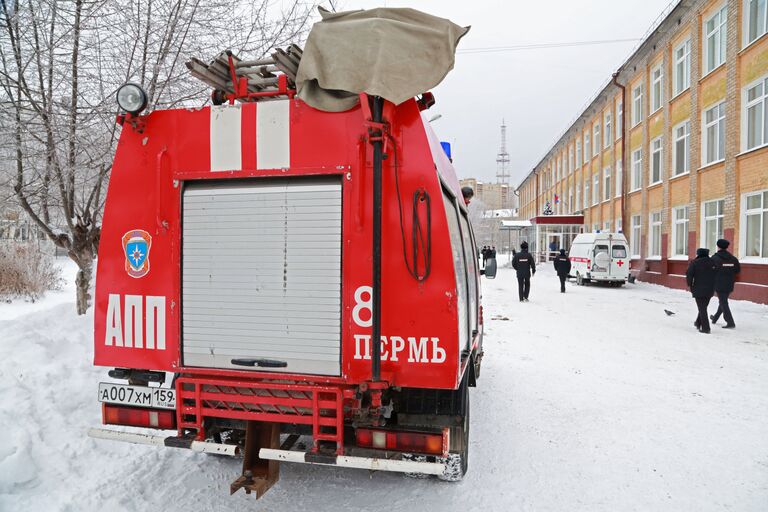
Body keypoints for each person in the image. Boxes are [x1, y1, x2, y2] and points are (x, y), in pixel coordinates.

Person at [710, 239, 740, 329]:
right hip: (729, 283)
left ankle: (730, 322)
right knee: (723, 301)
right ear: (727, 247)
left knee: (723, 302)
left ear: (718, 246)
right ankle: (715, 318)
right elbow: (737, 270)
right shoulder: (733, 259)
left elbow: (710, 270)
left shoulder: (714, 258)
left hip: (719, 283)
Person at [686, 248, 716, 334]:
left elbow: (689, 274)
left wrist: (690, 285)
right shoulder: (713, 262)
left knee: (702, 308)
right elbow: (717, 274)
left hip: (698, 288)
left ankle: (706, 328)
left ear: (698, 254)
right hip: (710, 289)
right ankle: (698, 322)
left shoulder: (695, 262)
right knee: (703, 307)